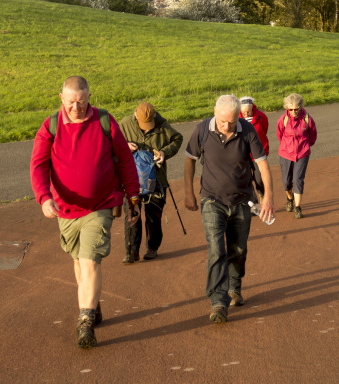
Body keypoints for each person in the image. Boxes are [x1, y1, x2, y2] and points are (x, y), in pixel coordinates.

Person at [30, 76, 140, 349]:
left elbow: (125, 161)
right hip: (65, 210)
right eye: (71, 102)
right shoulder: (51, 126)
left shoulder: (105, 122)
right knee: (78, 261)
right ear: (61, 99)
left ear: (89, 96)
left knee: (90, 260)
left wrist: (134, 198)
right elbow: (38, 166)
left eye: (81, 101)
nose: (76, 108)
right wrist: (44, 198)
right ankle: (92, 300)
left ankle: (85, 321)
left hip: (100, 205)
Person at [184, 95, 275, 324]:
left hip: (243, 200)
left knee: (238, 249)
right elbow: (189, 160)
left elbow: (262, 164)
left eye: (232, 122)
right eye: (223, 121)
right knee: (216, 248)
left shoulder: (247, 130)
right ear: (215, 112)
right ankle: (218, 301)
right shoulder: (202, 129)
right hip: (212, 200)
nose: (227, 126)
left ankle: (235, 286)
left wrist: (268, 198)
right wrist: (188, 192)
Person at [118, 102, 183, 263]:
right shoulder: (124, 125)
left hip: (157, 181)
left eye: (149, 126)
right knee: (132, 213)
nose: (147, 129)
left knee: (154, 214)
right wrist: (124, 146)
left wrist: (164, 152)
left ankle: (152, 248)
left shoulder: (163, 125)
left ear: (154, 115)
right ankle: (131, 251)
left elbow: (177, 139)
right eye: (143, 125)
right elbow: (110, 145)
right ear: (135, 116)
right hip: (131, 182)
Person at [276, 93, 318, 219]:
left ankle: (297, 207)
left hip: (302, 153)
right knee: (286, 182)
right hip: (285, 154)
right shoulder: (283, 120)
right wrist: (287, 146)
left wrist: (305, 146)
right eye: (290, 109)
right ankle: (290, 198)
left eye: (296, 109)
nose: (293, 112)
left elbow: (313, 136)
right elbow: (280, 135)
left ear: (300, 107)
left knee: (298, 180)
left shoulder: (307, 119)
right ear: (287, 109)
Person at [239, 96, 270, 200]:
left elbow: (264, 130)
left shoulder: (261, 116)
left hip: (258, 153)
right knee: (246, 179)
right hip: (243, 154)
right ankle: (253, 201)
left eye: (248, 111)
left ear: (253, 109)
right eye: (244, 113)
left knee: (259, 179)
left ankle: (261, 194)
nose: (246, 114)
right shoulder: (236, 119)